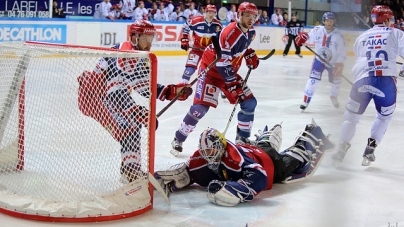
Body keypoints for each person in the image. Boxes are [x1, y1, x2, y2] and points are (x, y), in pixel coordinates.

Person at [77, 20, 193, 183]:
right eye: (145, 38)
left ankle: (130, 169)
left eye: (151, 38)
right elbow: (115, 93)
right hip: (93, 98)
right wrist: (137, 112)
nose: (149, 43)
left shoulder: (138, 56)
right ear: (134, 38)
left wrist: (171, 92)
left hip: (105, 97)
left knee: (132, 125)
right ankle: (130, 172)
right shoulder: (124, 54)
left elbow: (145, 87)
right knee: (128, 127)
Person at [155, 120, 334, 206]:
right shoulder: (204, 156)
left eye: (211, 150)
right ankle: (267, 138)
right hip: (254, 150)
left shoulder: (235, 159)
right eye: (205, 151)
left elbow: (260, 177)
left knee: (290, 160)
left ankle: (309, 136)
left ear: (221, 146)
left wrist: (233, 189)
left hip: (270, 162)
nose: (208, 155)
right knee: (261, 147)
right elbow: (190, 169)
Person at [171, 2, 260, 156]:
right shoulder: (230, 32)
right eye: (247, 15)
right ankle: (178, 139)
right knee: (199, 109)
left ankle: (242, 139)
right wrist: (233, 84)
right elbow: (222, 62)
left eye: (253, 16)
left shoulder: (251, 32)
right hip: (211, 72)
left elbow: (240, 47)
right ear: (239, 15)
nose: (250, 19)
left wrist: (248, 53)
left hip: (228, 72)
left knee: (249, 102)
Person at [332, 5, 404, 166]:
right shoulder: (396, 33)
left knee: (351, 117)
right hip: (385, 82)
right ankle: (370, 149)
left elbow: (361, 58)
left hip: (362, 79)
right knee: (384, 117)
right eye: (390, 19)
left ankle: (341, 148)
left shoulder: (362, 37)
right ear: (386, 19)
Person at [295, 12, 346, 110]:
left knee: (336, 82)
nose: (329, 23)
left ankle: (333, 96)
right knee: (312, 81)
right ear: (324, 21)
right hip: (319, 60)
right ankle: (305, 102)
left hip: (333, 63)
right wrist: (303, 38)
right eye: (327, 20)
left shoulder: (339, 35)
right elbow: (308, 38)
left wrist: (339, 64)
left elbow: (342, 51)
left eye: (331, 21)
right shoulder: (317, 30)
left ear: (334, 21)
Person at [178, 4, 222, 83]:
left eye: (213, 13)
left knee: (214, 72)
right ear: (205, 12)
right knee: (189, 70)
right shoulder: (196, 20)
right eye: (209, 12)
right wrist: (184, 40)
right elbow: (186, 26)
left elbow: (221, 38)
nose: (211, 15)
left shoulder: (218, 25)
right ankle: (182, 85)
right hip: (197, 50)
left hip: (210, 52)